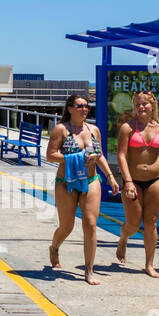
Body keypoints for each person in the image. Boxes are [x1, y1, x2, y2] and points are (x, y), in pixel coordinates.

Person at [47, 94, 119, 285]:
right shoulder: (61, 130)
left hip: (91, 179)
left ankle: (89, 270)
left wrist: (110, 176)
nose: (84, 109)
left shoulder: (93, 129)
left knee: (90, 223)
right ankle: (54, 247)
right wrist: (76, 157)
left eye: (87, 106)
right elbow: (51, 155)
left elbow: (100, 154)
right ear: (70, 108)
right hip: (66, 182)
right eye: (80, 106)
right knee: (67, 226)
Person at [115, 91, 159, 278]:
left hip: (156, 180)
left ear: (153, 106)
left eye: (145, 104)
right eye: (138, 104)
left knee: (151, 222)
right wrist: (127, 180)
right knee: (134, 224)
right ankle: (123, 237)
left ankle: (149, 264)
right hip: (133, 181)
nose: (141, 107)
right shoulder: (127, 128)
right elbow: (121, 155)